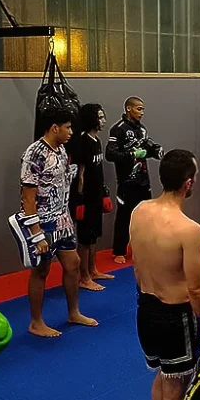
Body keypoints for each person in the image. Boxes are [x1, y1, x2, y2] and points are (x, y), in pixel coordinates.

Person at [131, 149, 200, 400]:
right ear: (188, 183)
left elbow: (136, 264)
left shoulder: (139, 211)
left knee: (164, 375)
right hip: (176, 317)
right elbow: (196, 288)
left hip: (145, 310)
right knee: (177, 383)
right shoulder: (188, 229)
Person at [21, 106, 98, 338]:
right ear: (55, 128)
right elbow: (28, 196)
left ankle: (73, 312)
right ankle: (36, 322)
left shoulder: (62, 150)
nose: (71, 132)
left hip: (63, 219)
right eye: (68, 127)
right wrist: (36, 233)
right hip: (43, 222)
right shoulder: (35, 153)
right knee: (41, 270)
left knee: (73, 264)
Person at [106, 96, 164, 264]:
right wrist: (132, 154)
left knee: (145, 216)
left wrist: (155, 150)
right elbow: (110, 154)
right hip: (126, 181)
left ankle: (143, 248)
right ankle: (119, 251)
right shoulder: (118, 129)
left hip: (143, 180)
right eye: (139, 109)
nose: (142, 112)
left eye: (143, 109)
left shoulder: (142, 129)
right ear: (128, 108)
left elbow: (146, 147)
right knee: (124, 216)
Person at [70, 103, 115, 292]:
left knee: (94, 235)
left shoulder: (96, 141)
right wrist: (79, 199)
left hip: (96, 196)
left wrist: (104, 192)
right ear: (91, 119)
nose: (103, 120)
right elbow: (80, 174)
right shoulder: (83, 142)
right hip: (86, 198)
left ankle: (93, 270)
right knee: (85, 239)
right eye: (100, 117)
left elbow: (98, 170)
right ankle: (84, 277)